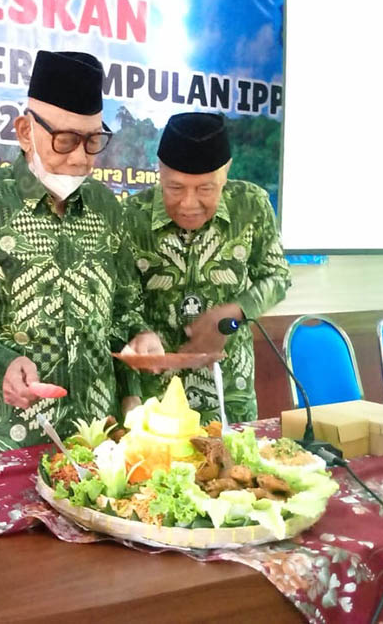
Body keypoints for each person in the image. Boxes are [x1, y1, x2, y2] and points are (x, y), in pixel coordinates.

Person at [0, 50, 163, 458]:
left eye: (93, 141)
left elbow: (124, 310)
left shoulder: (107, 208)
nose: (80, 158)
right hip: (1, 437)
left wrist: (139, 341)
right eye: (65, 140)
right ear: (26, 131)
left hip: (96, 440)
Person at [121, 112, 291, 423]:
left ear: (225, 172)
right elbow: (121, 301)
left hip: (230, 394)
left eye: (205, 189)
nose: (188, 203)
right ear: (159, 171)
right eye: (175, 188)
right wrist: (140, 334)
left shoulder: (251, 205)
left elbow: (278, 276)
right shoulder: (132, 216)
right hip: (157, 399)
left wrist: (237, 312)